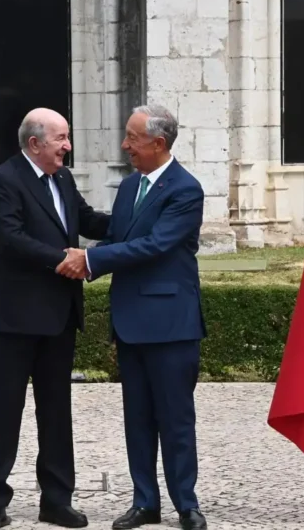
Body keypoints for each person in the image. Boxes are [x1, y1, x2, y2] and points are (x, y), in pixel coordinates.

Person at [56, 104, 207, 530]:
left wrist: (90, 260)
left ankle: (186, 504)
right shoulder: (129, 187)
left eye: (132, 138)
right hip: (131, 323)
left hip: (171, 325)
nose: (125, 145)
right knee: (137, 420)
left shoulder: (186, 190)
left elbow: (155, 245)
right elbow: (118, 234)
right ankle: (145, 502)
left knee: (175, 420)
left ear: (158, 143)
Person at [0, 107, 111, 529]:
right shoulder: (4, 181)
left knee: (56, 411)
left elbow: (86, 220)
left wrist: (138, 221)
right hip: (11, 319)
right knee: (4, 411)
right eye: (61, 139)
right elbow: (10, 238)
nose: (67, 146)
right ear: (34, 143)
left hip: (58, 317)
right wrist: (63, 259)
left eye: (67, 137)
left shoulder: (63, 179)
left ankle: (56, 499)